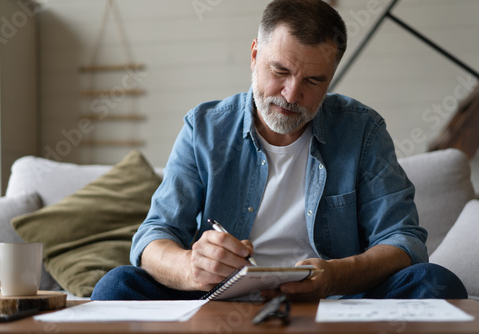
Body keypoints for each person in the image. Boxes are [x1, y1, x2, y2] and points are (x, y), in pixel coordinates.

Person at [91, 0, 467, 301]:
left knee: (436, 284)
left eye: (313, 80)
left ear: (330, 78)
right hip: (219, 297)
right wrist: (191, 266)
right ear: (255, 55)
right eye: (280, 71)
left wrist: (335, 276)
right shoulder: (203, 128)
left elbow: (404, 240)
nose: (291, 95)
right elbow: (154, 235)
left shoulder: (362, 129)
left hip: (337, 299)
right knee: (117, 286)